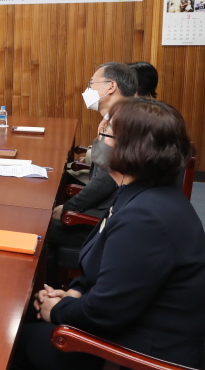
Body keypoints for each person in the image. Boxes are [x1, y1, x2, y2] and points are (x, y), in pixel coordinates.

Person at [6, 98, 205, 370]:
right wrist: (74, 293)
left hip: (142, 362)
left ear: (131, 148)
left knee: (16, 340)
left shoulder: (146, 217)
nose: (98, 139)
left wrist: (57, 309)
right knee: (26, 316)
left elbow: (105, 314)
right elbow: (102, 268)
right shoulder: (137, 192)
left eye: (106, 132)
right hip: (129, 327)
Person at [47, 62, 138, 284]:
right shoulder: (119, 116)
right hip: (111, 207)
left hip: (108, 216)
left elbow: (106, 179)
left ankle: (46, 289)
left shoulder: (123, 121)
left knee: (39, 227)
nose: (87, 90)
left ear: (110, 87)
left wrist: (69, 208)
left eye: (91, 84)